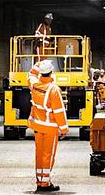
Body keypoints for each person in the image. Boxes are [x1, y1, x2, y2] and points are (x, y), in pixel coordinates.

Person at [28, 60, 68, 192]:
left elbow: (31, 75)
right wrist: (63, 129)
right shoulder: (54, 89)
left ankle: (40, 181)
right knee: (47, 155)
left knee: (39, 154)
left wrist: (38, 64)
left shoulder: (34, 85)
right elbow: (59, 111)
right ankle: (45, 183)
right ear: (51, 72)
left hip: (37, 126)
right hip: (50, 127)